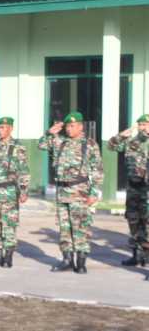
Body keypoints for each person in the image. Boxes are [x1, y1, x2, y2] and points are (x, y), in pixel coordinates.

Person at [38, 112, 103, 274]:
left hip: (80, 191)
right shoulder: (60, 142)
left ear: (81, 126)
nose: (68, 129)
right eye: (67, 126)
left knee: (81, 227)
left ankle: (81, 262)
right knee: (64, 228)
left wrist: (94, 192)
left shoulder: (89, 144)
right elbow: (41, 145)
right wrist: (49, 133)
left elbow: (97, 170)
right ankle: (67, 259)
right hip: (62, 191)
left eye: (72, 126)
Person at [0, 117, 30, 268]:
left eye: (3, 127)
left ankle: (8, 257)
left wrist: (23, 190)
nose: (0, 130)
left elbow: (24, 170)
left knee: (9, 225)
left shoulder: (18, 147)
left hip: (9, 191)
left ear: (10, 128)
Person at [107, 116, 149, 266]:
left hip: (147, 188)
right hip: (133, 187)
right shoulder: (131, 142)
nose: (143, 127)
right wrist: (120, 136)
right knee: (133, 219)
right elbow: (111, 147)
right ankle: (136, 254)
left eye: (145, 124)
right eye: (141, 124)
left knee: (147, 221)